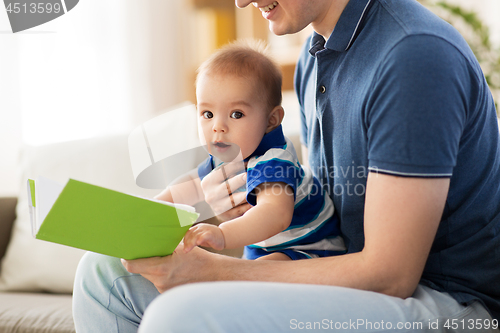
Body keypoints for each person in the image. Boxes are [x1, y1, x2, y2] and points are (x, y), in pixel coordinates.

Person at [73, 0, 500, 332]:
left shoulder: (414, 56)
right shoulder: (313, 61)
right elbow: (313, 208)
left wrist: (217, 272)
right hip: (348, 272)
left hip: (450, 304)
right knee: (103, 273)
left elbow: (391, 276)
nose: (240, 2)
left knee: (181, 314)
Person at [155, 41, 345, 260]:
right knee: (250, 268)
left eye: (236, 114)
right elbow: (188, 188)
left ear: (271, 120)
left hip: (311, 248)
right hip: (264, 248)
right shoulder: (227, 155)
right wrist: (154, 207)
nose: (218, 126)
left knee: (260, 269)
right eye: (207, 114)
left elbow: (275, 214)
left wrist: (222, 234)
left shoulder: (274, 160)